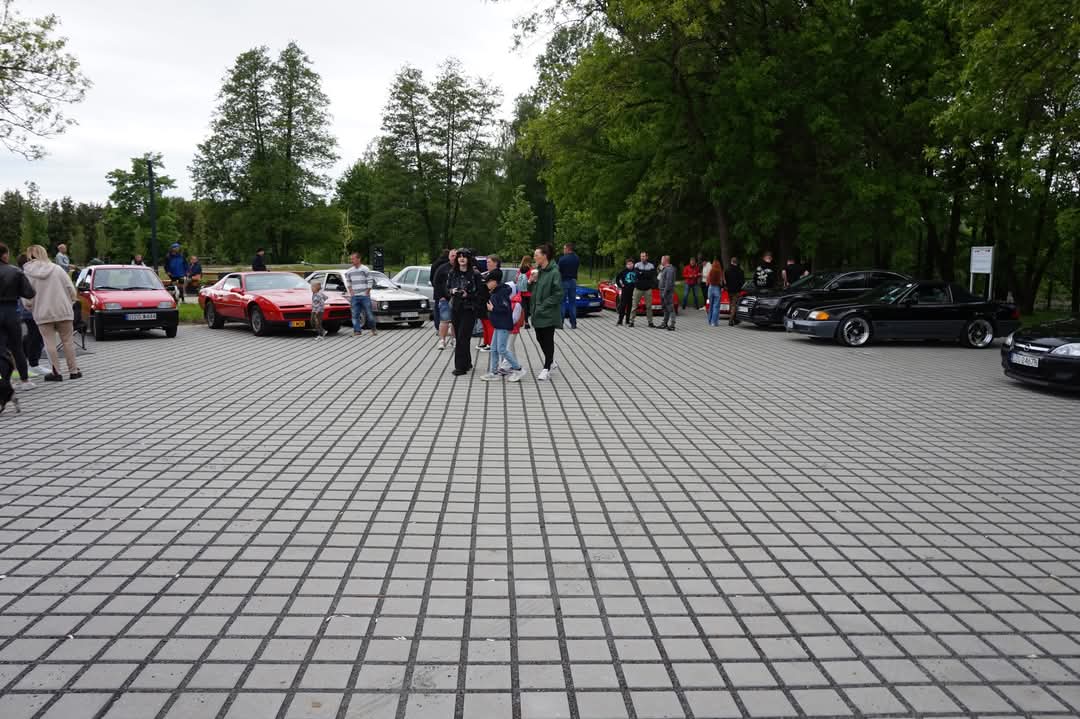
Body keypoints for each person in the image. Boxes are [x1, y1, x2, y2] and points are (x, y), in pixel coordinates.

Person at [23, 245, 80, 381]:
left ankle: (56, 372)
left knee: (49, 343)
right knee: (68, 341)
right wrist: (71, 301)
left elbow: (26, 296)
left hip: (42, 312)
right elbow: (71, 288)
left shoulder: (27, 273)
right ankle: (73, 371)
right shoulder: (57, 269)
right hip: (63, 310)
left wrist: (30, 306)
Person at [0, 243, 36, 392]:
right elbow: (29, 293)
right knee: (17, 347)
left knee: (1, 349)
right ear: (4, 255)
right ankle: (24, 380)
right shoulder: (15, 271)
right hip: (11, 310)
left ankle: (6, 381)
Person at [480, 270, 526, 382]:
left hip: (503, 325)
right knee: (494, 349)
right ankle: (493, 372)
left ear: (494, 282)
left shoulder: (501, 293)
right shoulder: (496, 292)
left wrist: (493, 309)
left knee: (501, 349)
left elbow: (505, 309)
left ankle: (518, 369)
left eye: (488, 282)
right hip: (498, 324)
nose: (487, 284)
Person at [529, 243, 562, 381]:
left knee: (548, 340)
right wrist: (531, 282)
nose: (534, 257)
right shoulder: (538, 271)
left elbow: (558, 294)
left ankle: (546, 368)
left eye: (536, 255)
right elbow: (532, 292)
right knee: (539, 338)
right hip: (537, 313)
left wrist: (543, 306)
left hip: (548, 313)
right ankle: (551, 361)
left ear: (545, 256)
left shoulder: (554, 272)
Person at [446, 248, 480, 376]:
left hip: (469, 309)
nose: (461, 259)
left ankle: (460, 367)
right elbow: (447, 288)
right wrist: (452, 291)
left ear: (468, 259)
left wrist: (468, 294)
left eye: (464, 256)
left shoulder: (474, 274)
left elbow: (480, 293)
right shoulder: (452, 272)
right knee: (462, 337)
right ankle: (467, 362)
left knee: (462, 337)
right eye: (459, 256)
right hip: (456, 308)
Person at [16, 254, 43, 371]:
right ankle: (33, 363)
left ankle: (30, 359)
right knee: (35, 336)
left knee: (33, 335)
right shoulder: (24, 275)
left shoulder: (21, 274)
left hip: (27, 311)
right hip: (29, 310)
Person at [345, 251, 377, 336]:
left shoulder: (365, 269)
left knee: (369, 314)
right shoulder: (349, 271)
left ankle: (373, 329)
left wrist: (367, 291)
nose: (351, 261)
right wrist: (351, 291)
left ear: (359, 259)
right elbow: (348, 281)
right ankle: (357, 331)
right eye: (351, 259)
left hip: (364, 296)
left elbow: (370, 280)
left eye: (353, 259)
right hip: (354, 296)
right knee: (355, 314)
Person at [432, 249, 456, 349]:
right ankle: (442, 340)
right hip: (444, 298)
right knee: (444, 320)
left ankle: (454, 339)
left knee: (455, 320)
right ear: (449, 257)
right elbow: (435, 282)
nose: (454, 258)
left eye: (456, 256)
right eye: (452, 256)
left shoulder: (461, 268)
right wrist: (440, 296)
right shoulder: (442, 268)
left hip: (457, 298)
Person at [478, 254, 500, 351]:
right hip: (482, 299)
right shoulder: (489, 273)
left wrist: (481, 284)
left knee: (488, 322)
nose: (487, 264)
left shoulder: (496, 273)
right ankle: (486, 342)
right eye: (487, 262)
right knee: (484, 321)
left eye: (489, 262)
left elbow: (490, 286)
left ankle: (491, 343)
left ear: (495, 263)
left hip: (489, 299)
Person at [630, 252, 657, 327]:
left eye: (644, 256)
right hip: (638, 288)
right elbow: (637, 274)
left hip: (647, 289)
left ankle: (650, 322)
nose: (642, 258)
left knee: (649, 306)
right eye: (641, 256)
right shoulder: (637, 265)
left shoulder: (651, 266)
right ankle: (631, 321)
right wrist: (645, 274)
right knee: (634, 306)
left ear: (647, 257)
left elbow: (651, 275)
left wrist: (642, 273)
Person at [557, 243, 580, 329]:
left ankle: (560, 323)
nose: (563, 250)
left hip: (564, 281)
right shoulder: (576, 258)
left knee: (562, 302)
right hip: (573, 281)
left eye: (564, 249)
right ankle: (573, 323)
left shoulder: (562, 259)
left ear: (568, 249)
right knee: (572, 302)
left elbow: (558, 271)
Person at [429, 249, 450, 329]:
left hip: (437, 290)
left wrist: (435, 287)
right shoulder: (448, 265)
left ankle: (438, 327)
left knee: (437, 309)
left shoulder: (435, 264)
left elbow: (432, 278)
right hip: (447, 290)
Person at [724, 256, 746, 326]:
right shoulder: (740, 270)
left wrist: (727, 286)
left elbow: (726, 280)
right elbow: (742, 281)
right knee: (734, 305)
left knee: (731, 304)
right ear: (737, 262)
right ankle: (731, 320)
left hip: (729, 290)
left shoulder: (727, 270)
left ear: (731, 262)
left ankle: (735, 319)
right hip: (736, 290)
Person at [615, 258, 637, 326]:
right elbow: (617, 279)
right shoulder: (623, 271)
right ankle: (620, 320)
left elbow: (639, 279)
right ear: (626, 265)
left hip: (633, 291)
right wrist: (620, 286)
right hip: (625, 291)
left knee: (630, 306)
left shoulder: (635, 271)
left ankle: (627, 320)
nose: (630, 265)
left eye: (631, 264)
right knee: (623, 305)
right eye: (628, 264)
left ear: (633, 264)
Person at [657, 255, 677, 331]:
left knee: (670, 308)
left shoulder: (670, 269)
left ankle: (672, 324)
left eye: (662, 260)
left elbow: (669, 282)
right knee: (665, 308)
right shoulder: (665, 268)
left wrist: (664, 292)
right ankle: (664, 323)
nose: (661, 261)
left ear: (665, 260)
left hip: (667, 292)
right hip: (663, 291)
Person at [706, 256, 725, 326]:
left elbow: (707, 281)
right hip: (717, 288)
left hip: (710, 288)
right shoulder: (720, 272)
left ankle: (709, 320)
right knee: (716, 306)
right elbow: (721, 282)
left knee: (710, 305)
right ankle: (714, 322)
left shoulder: (711, 271)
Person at [517, 256, 532, 329]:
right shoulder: (531, 270)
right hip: (530, 292)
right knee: (530, 307)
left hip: (522, 292)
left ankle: (526, 323)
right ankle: (533, 321)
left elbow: (517, 279)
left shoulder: (520, 270)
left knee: (524, 308)